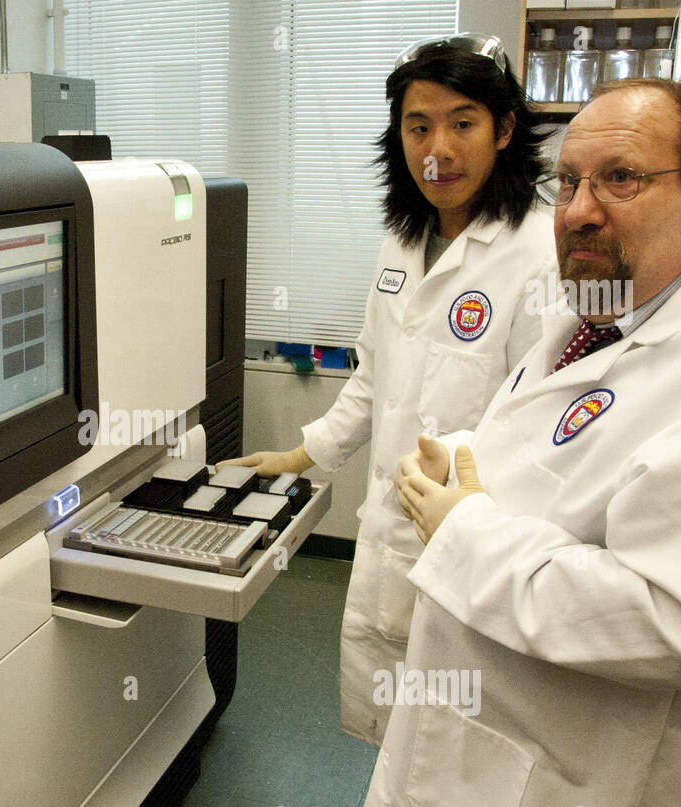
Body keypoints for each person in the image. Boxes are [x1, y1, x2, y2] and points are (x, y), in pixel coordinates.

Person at [362, 67, 681, 807]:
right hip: (488, 746)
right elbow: (547, 442)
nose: (580, 211)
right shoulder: (612, 305)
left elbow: (669, 621)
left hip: (596, 805)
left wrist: (467, 534)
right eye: (570, 182)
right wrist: (462, 463)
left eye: (621, 179)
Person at [220, 34, 555, 745]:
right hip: (393, 529)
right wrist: (301, 454)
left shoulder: (540, 251)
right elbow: (376, 378)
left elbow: (537, 422)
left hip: (475, 537)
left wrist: (473, 518)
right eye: (418, 125)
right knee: (393, 725)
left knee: (457, 735)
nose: (438, 147)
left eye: (462, 123)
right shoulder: (404, 239)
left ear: (503, 129)